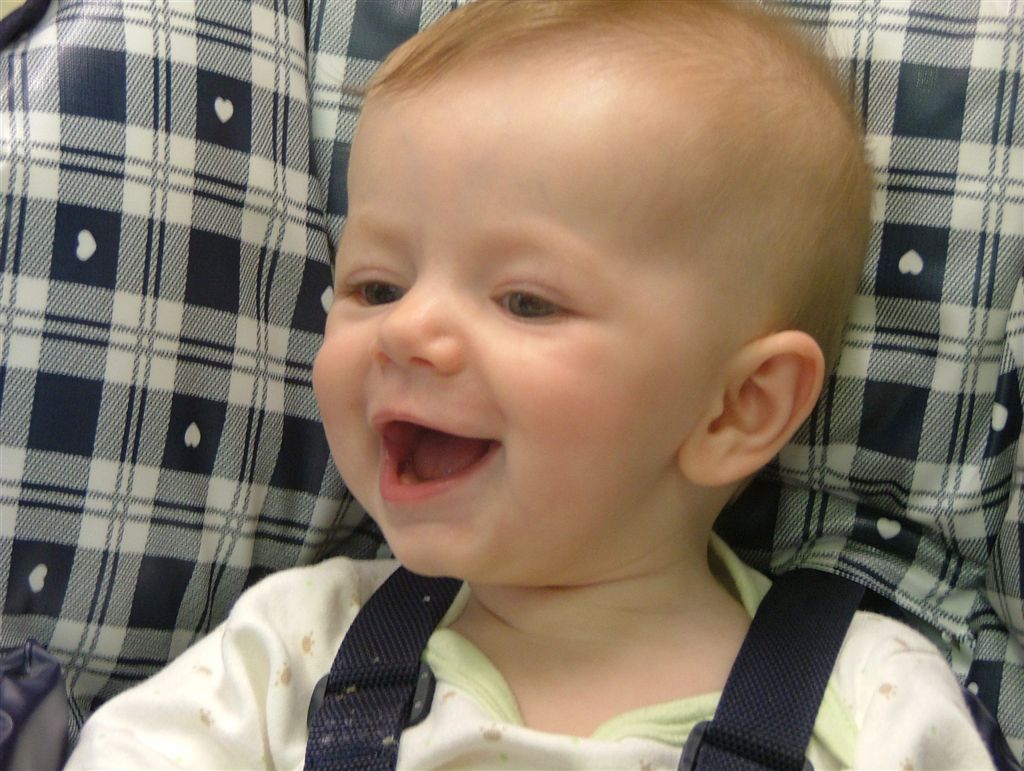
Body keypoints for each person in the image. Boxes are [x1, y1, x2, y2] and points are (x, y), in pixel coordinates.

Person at [65, 1, 995, 768]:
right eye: (375, 286)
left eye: (525, 300)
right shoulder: (295, 651)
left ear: (736, 406)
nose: (409, 329)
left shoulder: (870, 702)